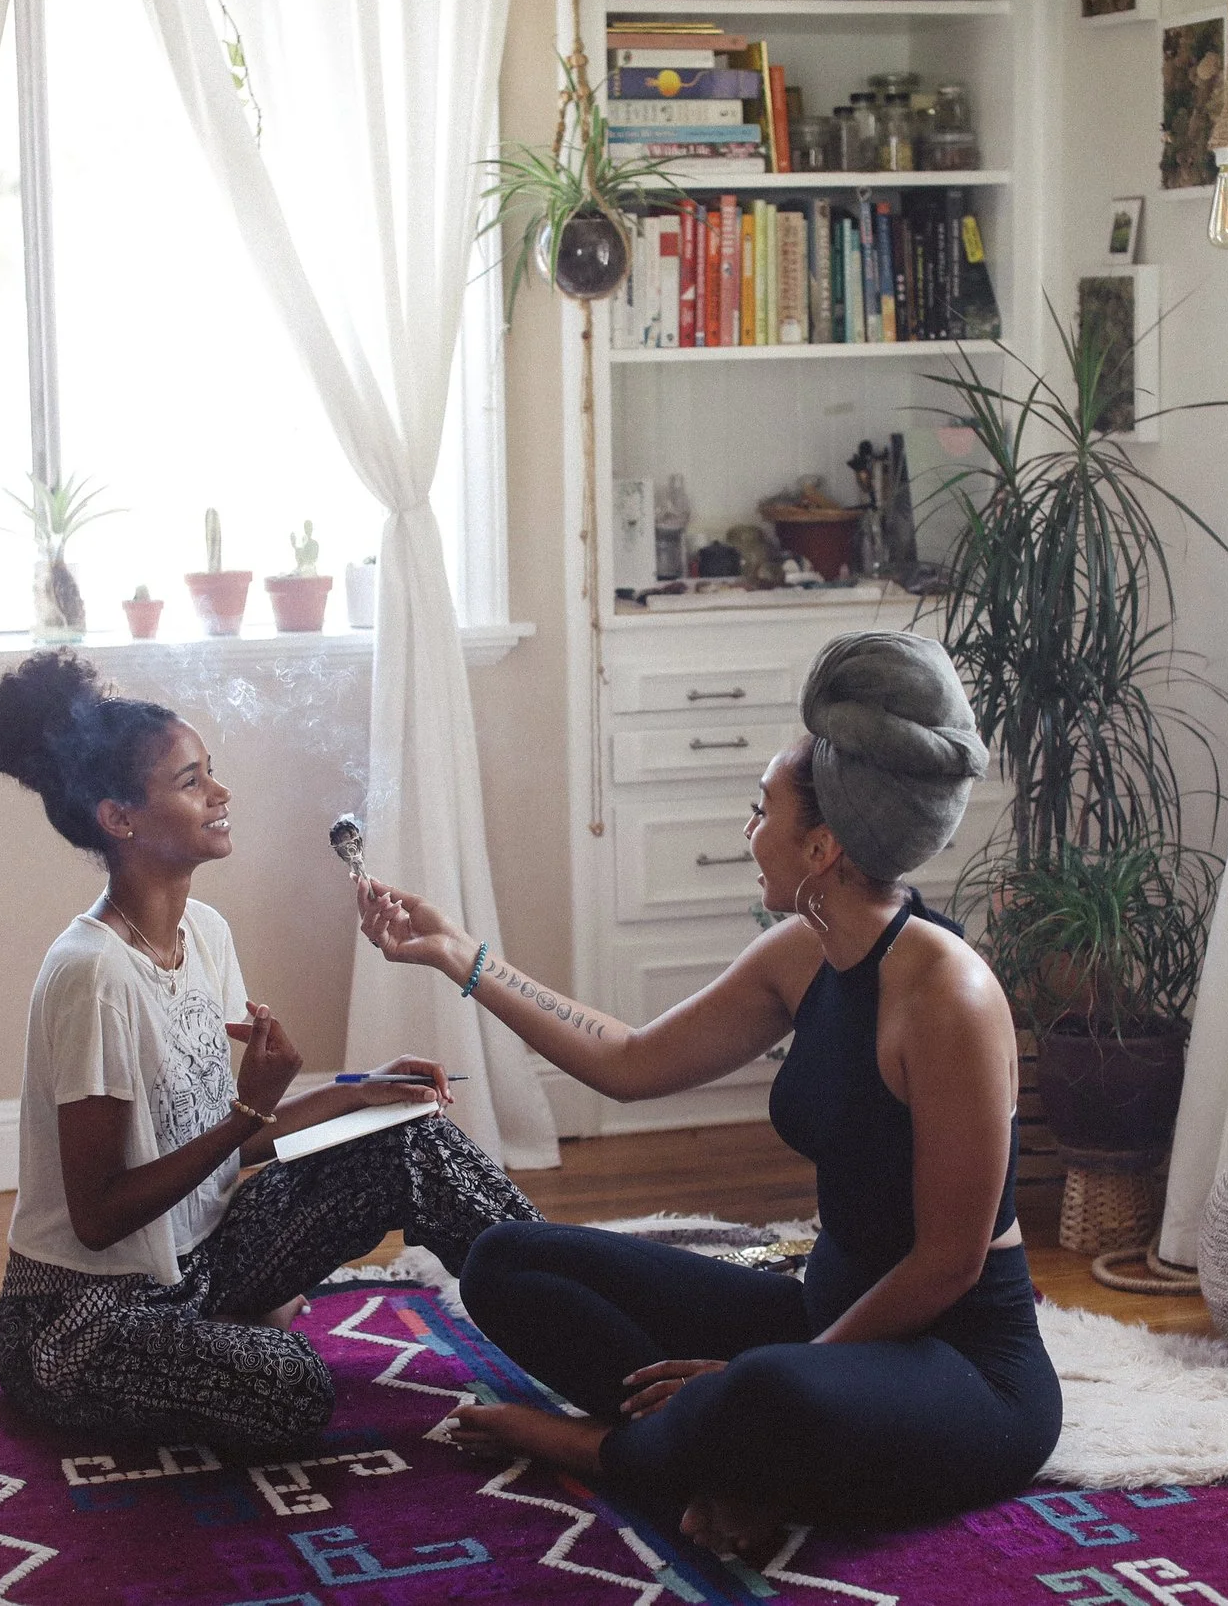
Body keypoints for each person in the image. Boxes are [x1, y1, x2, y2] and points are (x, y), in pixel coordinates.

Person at [357, 630, 1060, 1556]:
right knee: (505, 1261)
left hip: (962, 1366)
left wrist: (759, 1371)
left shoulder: (949, 997)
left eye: (760, 808)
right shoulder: (804, 950)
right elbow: (629, 1060)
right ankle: (728, 1452)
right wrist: (459, 955)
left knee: (771, 1388)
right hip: (825, 1315)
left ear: (821, 846)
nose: (746, 830)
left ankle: (615, 1449)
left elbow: (947, 1266)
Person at [0, 649, 537, 1451]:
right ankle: (238, 1328)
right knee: (293, 1385)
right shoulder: (92, 974)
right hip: (85, 1317)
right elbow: (98, 1219)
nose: (221, 793)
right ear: (119, 818)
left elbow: (219, 1141)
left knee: (413, 1144)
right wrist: (248, 1110)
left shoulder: (205, 934)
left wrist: (360, 1093)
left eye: (212, 772)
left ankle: (582, 1311)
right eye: (192, 780)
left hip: (201, 1261)